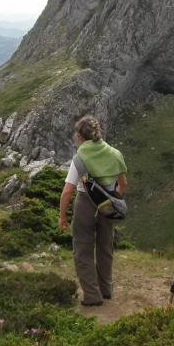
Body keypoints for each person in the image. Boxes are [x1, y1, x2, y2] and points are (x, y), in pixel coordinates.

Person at [58, 116, 128, 306]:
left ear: (80, 136)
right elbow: (123, 185)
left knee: (83, 249)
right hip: (107, 207)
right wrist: (112, 201)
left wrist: (62, 216)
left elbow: (67, 192)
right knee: (105, 248)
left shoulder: (79, 158)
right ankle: (106, 289)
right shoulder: (115, 154)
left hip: (84, 205)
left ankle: (92, 295)